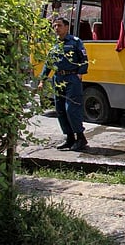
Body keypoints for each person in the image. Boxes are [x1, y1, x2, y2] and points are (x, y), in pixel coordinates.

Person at [38, 17, 89, 151]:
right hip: (58, 78)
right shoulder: (54, 44)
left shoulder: (75, 42)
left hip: (72, 78)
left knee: (71, 109)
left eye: (59, 25)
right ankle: (69, 138)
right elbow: (48, 63)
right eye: (54, 26)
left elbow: (84, 59)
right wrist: (42, 80)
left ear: (67, 27)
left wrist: (80, 73)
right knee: (60, 110)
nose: (56, 28)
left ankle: (80, 137)